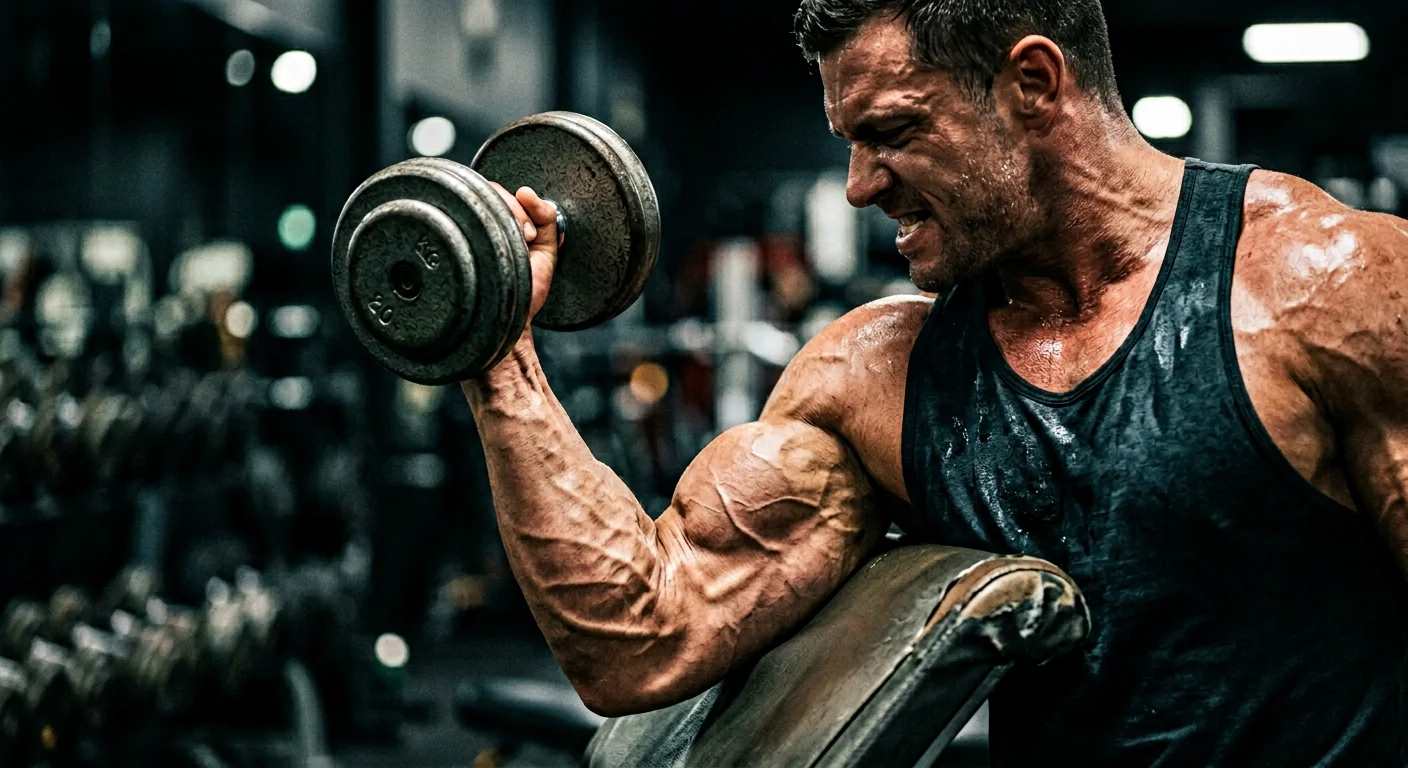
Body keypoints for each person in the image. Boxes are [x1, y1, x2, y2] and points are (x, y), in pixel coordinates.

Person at [465, 0, 1408, 764]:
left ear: (1032, 85)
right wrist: (496, 346)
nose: (857, 187)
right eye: (848, 139)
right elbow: (644, 632)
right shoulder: (878, 378)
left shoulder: (1329, 287)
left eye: (891, 132)